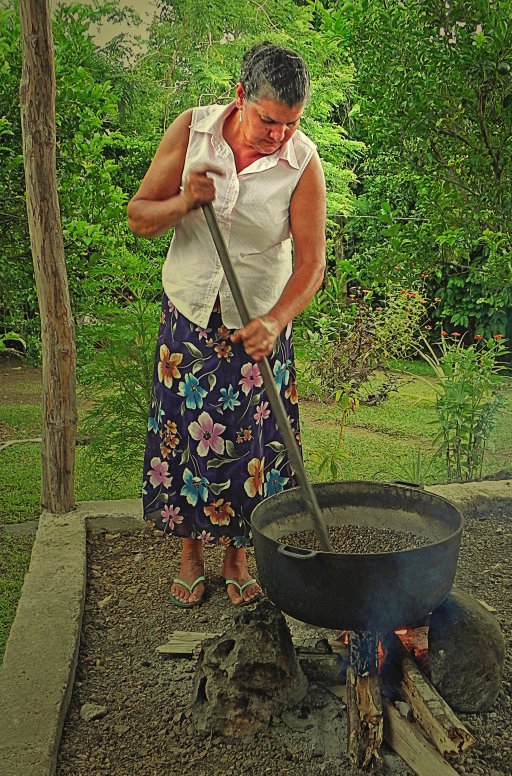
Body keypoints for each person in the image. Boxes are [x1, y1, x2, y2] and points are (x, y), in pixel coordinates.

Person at [127, 42, 326, 607]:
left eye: (291, 124)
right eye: (269, 121)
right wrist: (184, 203)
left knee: (250, 449)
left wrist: (277, 319)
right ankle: (191, 554)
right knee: (187, 437)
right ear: (240, 98)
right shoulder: (193, 133)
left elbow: (312, 263)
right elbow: (141, 215)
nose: (279, 136)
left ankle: (237, 557)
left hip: (256, 325)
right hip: (190, 318)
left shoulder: (302, 163)